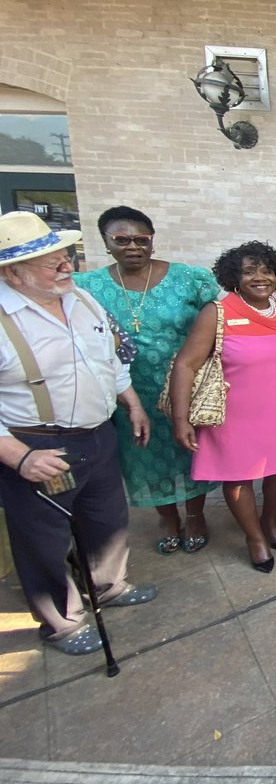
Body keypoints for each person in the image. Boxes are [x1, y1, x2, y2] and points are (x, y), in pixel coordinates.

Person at [0, 211, 157, 655]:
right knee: (43, 538)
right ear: (14, 273)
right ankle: (62, 622)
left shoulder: (81, 300)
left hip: (98, 434)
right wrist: (19, 457)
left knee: (107, 519)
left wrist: (132, 401)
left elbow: (110, 359)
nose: (68, 265)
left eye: (65, 255)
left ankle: (107, 585)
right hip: (38, 445)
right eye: (53, 262)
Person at [75, 205, 220, 556]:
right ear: (106, 243)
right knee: (144, 454)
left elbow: (220, 320)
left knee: (189, 452)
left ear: (152, 241)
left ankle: (196, 516)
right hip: (129, 390)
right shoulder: (87, 287)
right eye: (121, 240)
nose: (133, 246)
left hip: (186, 386)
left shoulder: (189, 279)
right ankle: (168, 519)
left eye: (141, 239)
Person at [172, 242, 276, 573]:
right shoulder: (217, 312)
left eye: (267, 270)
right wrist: (181, 417)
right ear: (234, 277)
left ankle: (270, 521)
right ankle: (255, 537)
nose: (260, 278)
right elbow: (186, 365)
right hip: (231, 413)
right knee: (238, 477)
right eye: (249, 271)